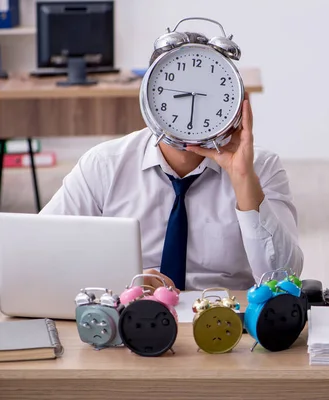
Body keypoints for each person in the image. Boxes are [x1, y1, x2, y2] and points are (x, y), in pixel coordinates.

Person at [40, 90, 304, 292]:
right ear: (151, 97)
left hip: (225, 320)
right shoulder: (104, 164)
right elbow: (42, 252)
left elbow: (283, 280)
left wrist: (243, 178)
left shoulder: (261, 167)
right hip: (132, 314)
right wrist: (126, 284)